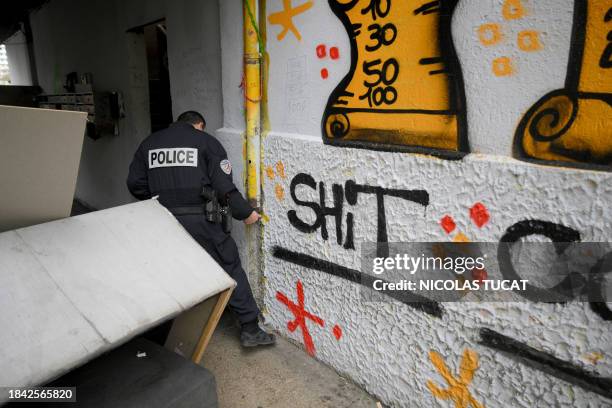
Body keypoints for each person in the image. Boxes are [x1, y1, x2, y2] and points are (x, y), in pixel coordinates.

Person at [127, 110, 276, 348]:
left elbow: (135, 184)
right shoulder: (205, 142)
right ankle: (250, 329)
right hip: (200, 221)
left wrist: (161, 200)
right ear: (199, 125)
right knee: (229, 266)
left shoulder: (150, 143)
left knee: (165, 273)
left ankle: (158, 334)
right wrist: (245, 212)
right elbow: (223, 186)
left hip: (162, 220)